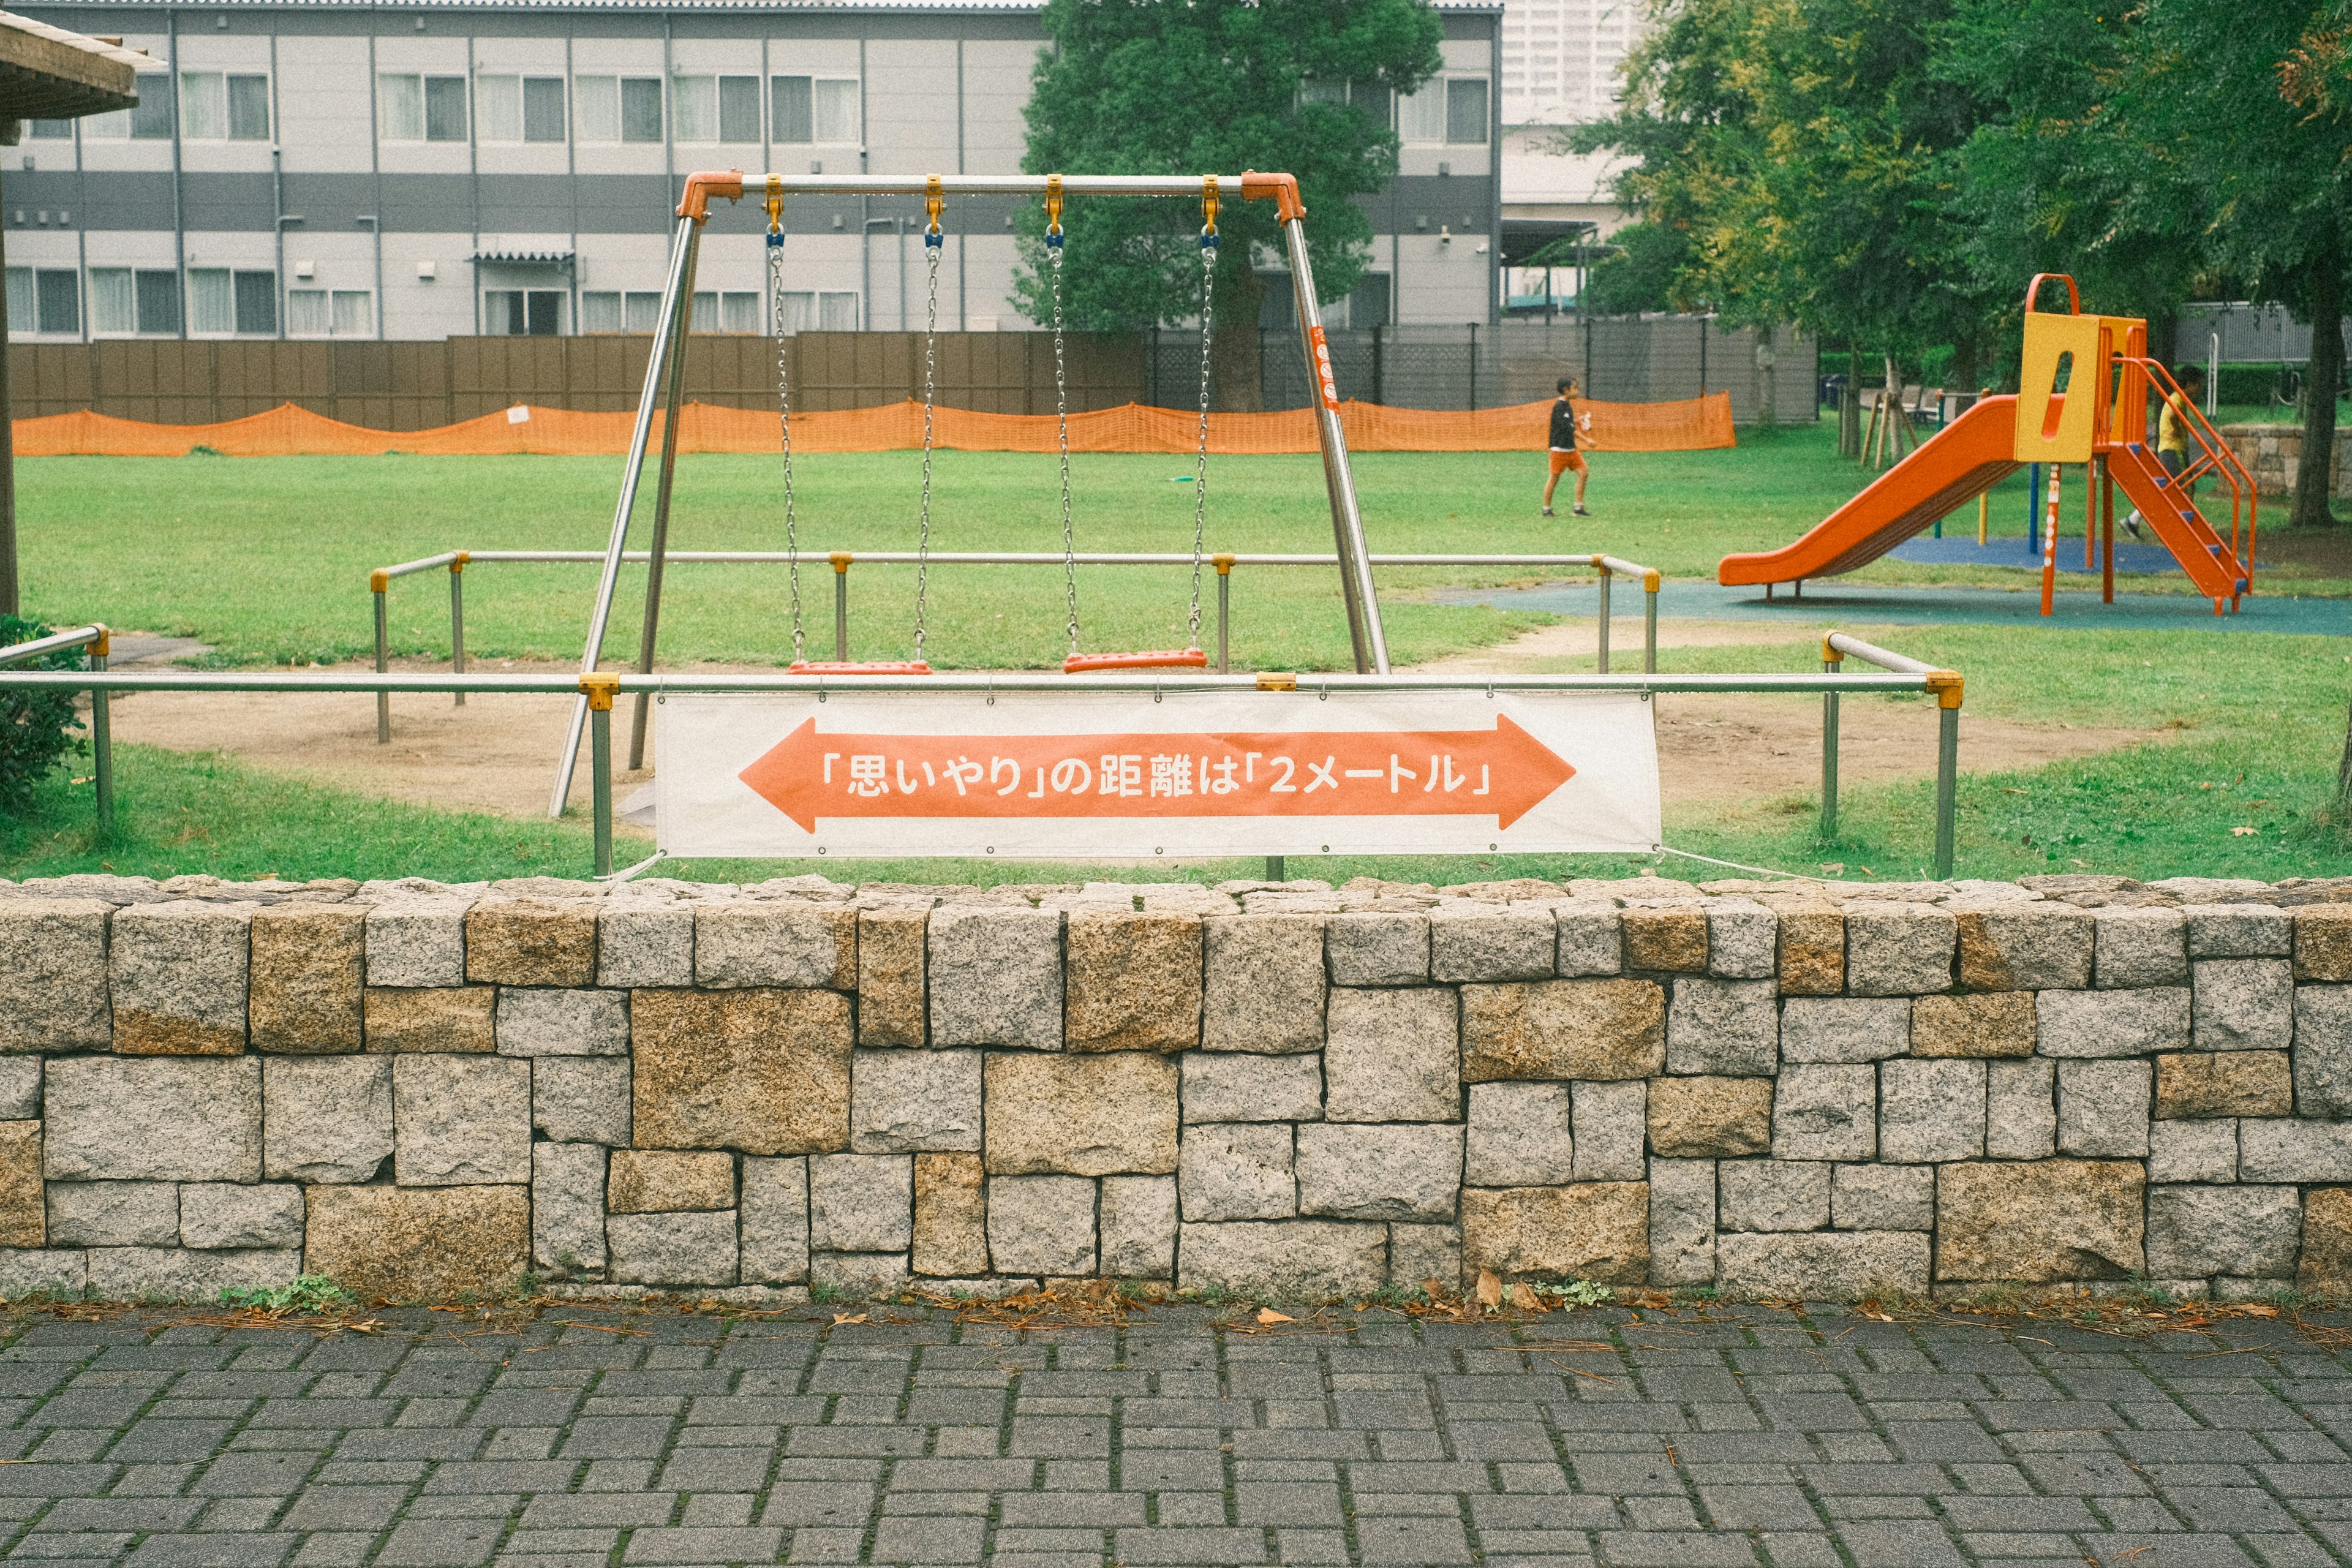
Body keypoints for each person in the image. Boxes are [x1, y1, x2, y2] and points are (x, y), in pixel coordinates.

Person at [2123, 363, 2204, 540]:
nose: (2200, 388)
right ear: (2190, 384)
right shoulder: (2179, 399)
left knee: (2166, 491)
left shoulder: (2176, 397)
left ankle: (2133, 520)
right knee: (2188, 487)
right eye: (2199, 384)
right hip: (2174, 449)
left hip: (2169, 449)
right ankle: (2187, 529)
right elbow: (2173, 417)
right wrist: (2176, 429)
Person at [1542, 375, 1591, 517]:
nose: (1577, 390)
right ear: (1566, 390)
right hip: (1559, 450)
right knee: (1554, 478)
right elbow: (1569, 428)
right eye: (1575, 388)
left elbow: (1568, 423)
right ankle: (1547, 509)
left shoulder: (1567, 405)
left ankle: (1578, 508)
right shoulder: (1559, 406)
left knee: (1584, 473)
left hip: (1571, 449)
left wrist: (1578, 420)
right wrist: (1587, 440)